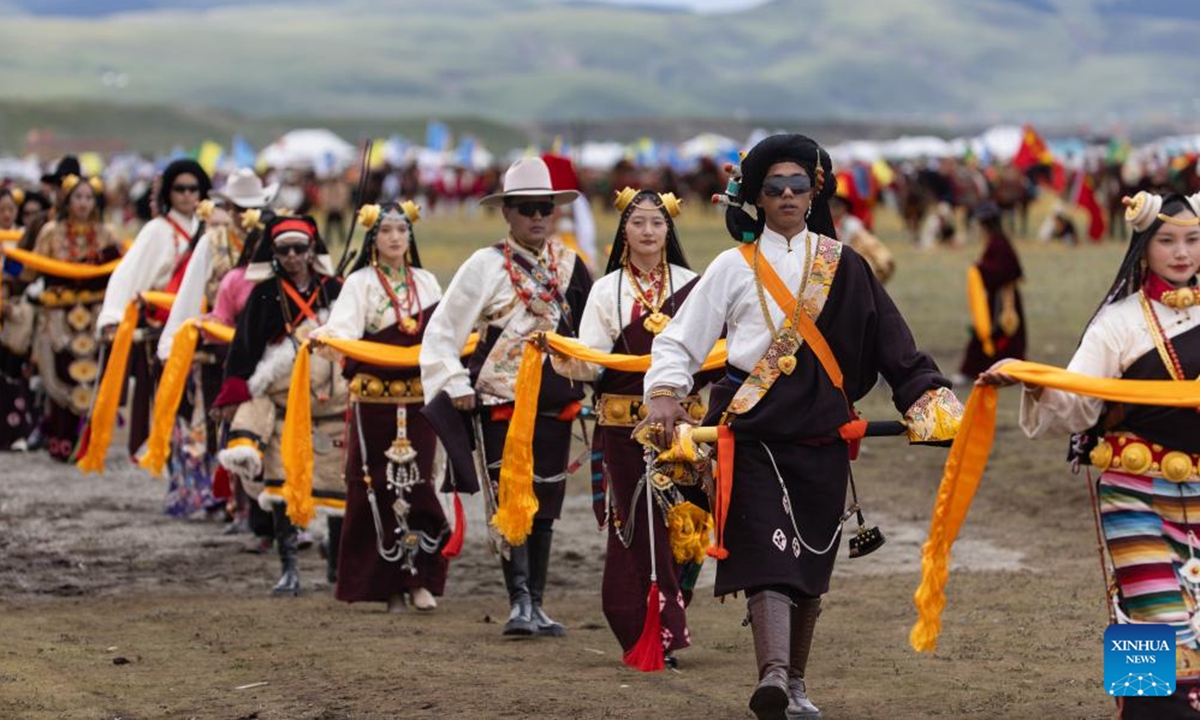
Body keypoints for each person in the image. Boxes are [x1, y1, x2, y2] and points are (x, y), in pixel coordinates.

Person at [639, 134, 962, 720]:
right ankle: (773, 678)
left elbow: (896, 346)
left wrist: (927, 400)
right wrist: (664, 392)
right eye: (773, 187)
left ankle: (796, 686)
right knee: (768, 555)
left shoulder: (849, 266)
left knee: (810, 564)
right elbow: (678, 341)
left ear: (815, 191)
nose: (787, 196)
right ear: (756, 198)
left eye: (798, 185)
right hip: (750, 436)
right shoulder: (730, 268)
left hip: (822, 436)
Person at [980, 190, 1200, 719]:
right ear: (1142, 248)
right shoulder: (1117, 323)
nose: (1181, 253)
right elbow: (1077, 401)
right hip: (1134, 488)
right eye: (1166, 240)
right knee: (1150, 610)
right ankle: (1148, 712)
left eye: (1193, 240)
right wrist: (1032, 382)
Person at [420, 157, 592, 637]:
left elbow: (590, 333)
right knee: (509, 500)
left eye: (545, 208)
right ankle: (517, 600)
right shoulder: (484, 265)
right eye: (526, 209)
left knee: (547, 503)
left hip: (556, 405)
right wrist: (454, 383)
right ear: (507, 214)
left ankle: (537, 602)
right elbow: (443, 333)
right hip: (500, 403)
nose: (537, 217)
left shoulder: (572, 265)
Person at [550, 187, 706, 665]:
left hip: (684, 430)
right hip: (622, 432)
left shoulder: (694, 283)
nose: (647, 231)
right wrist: (562, 353)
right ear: (624, 229)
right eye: (637, 222)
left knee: (687, 524)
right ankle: (645, 630)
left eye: (656, 223)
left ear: (669, 229)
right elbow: (592, 363)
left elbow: (711, 351)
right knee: (638, 527)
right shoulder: (606, 289)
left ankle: (669, 618)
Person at [312, 201, 449, 612]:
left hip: (418, 399)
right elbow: (343, 329)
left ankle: (420, 578)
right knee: (377, 487)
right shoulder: (360, 283)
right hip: (374, 401)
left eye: (401, 230)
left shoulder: (426, 282)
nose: (394, 237)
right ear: (374, 238)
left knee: (421, 482)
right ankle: (386, 583)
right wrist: (326, 336)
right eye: (386, 230)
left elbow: (444, 330)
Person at [213, 215, 345, 596]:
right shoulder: (264, 294)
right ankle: (290, 569)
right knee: (282, 485)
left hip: (329, 402)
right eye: (283, 250)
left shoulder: (334, 289)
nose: (292, 256)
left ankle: (336, 566)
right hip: (282, 402)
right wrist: (231, 394)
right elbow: (245, 349)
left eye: (299, 249)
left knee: (333, 481)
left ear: (311, 250)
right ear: (273, 254)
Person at [154, 169, 276, 519]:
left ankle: (258, 505)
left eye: (251, 208)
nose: (244, 215)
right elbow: (191, 291)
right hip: (218, 347)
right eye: (238, 207)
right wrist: (174, 343)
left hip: (264, 349)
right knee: (216, 422)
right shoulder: (212, 240)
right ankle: (228, 500)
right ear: (228, 206)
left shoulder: (273, 239)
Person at [97, 159, 210, 459]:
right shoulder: (156, 231)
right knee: (171, 401)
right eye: (180, 189)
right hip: (166, 331)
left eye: (194, 188)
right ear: (168, 193)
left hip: (206, 328)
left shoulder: (212, 231)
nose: (187, 195)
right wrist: (113, 316)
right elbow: (127, 276)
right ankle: (175, 463)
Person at [28, 174, 123, 460]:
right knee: (59, 370)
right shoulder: (49, 233)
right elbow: (33, 270)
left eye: (88, 197)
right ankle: (61, 440)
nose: (83, 203)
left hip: (94, 313)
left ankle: (91, 443)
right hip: (58, 314)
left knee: (93, 376)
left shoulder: (106, 233)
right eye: (77, 197)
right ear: (67, 201)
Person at [958, 201, 1026, 380]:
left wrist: (979, 268)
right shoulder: (997, 242)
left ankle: (974, 370)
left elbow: (1006, 271)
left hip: (1003, 300)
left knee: (996, 332)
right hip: (996, 297)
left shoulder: (999, 244)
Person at [828, 191, 894, 283]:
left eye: (836, 205)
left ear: (845, 208)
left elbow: (875, 250)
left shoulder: (853, 226)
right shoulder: (820, 226)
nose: (832, 209)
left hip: (850, 274)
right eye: (829, 205)